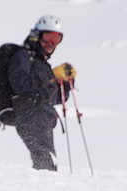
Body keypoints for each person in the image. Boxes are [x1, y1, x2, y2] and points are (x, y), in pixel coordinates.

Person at [7, 15, 77, 171]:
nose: (52, 43)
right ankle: (45, 190)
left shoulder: (41, 64)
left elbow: (54, 98)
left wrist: (66, 83)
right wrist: (52, 76)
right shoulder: (23, 56)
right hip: (29, 114)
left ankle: (43, 188)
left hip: (41, 116)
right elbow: (21, 85)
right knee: (46, 160)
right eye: (48, 37)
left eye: (57, 39)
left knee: (46, 160)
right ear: (36, 35)